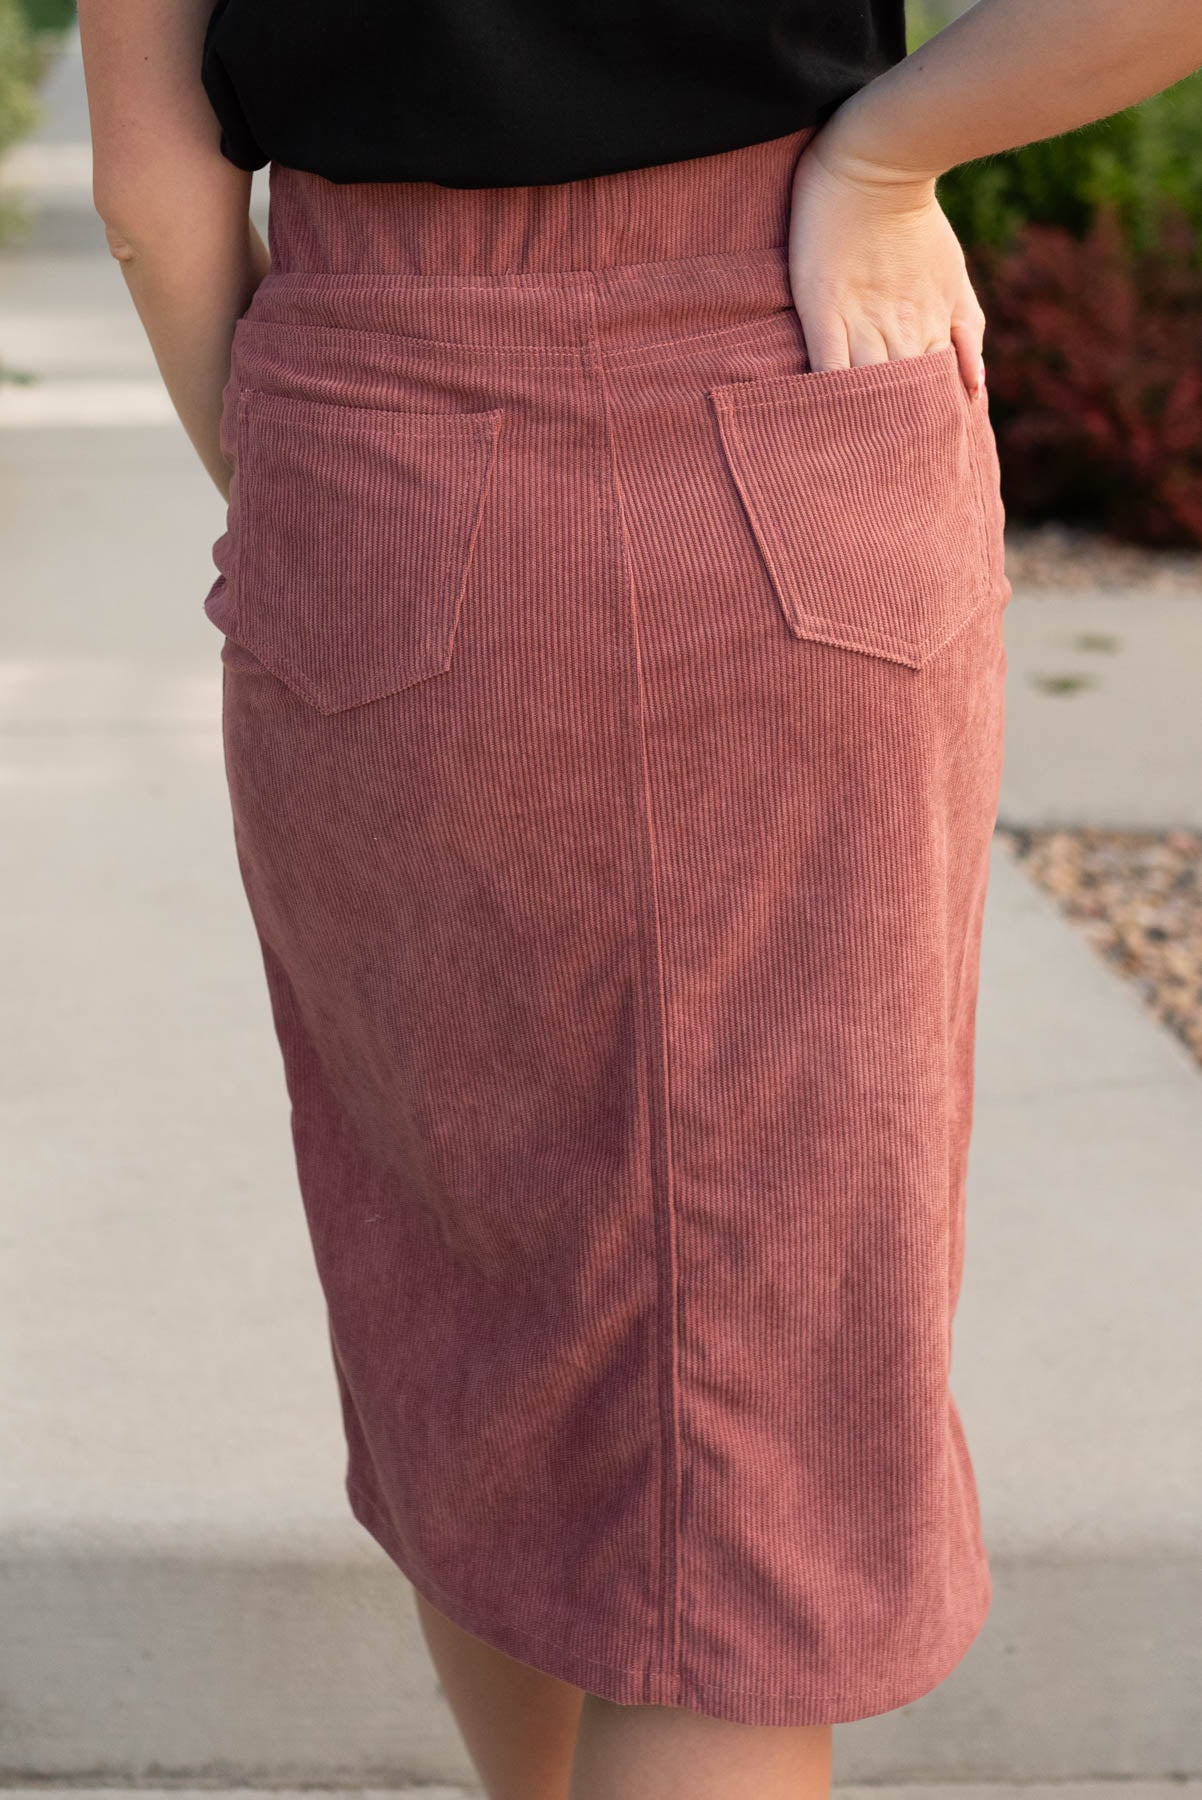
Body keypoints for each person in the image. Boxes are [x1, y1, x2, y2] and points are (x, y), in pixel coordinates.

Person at [78, 2, 1202, 1795]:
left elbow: (150, 175)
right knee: (752, 1420)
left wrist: (323, 493)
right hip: (787, 367)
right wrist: (892, 146)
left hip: (379, 406)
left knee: (483, 1309)